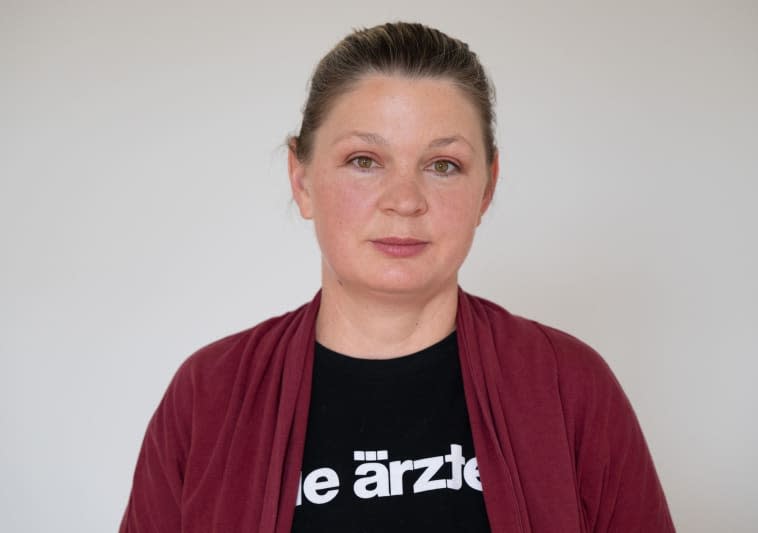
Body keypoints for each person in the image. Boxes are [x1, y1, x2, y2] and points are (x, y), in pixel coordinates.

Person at [120, 22, 675, 533]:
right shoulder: (208, 396)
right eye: (364, 160)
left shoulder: (568, 384)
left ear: (487, 186)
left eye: (443, 165)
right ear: (302, 178)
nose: (405, 201)